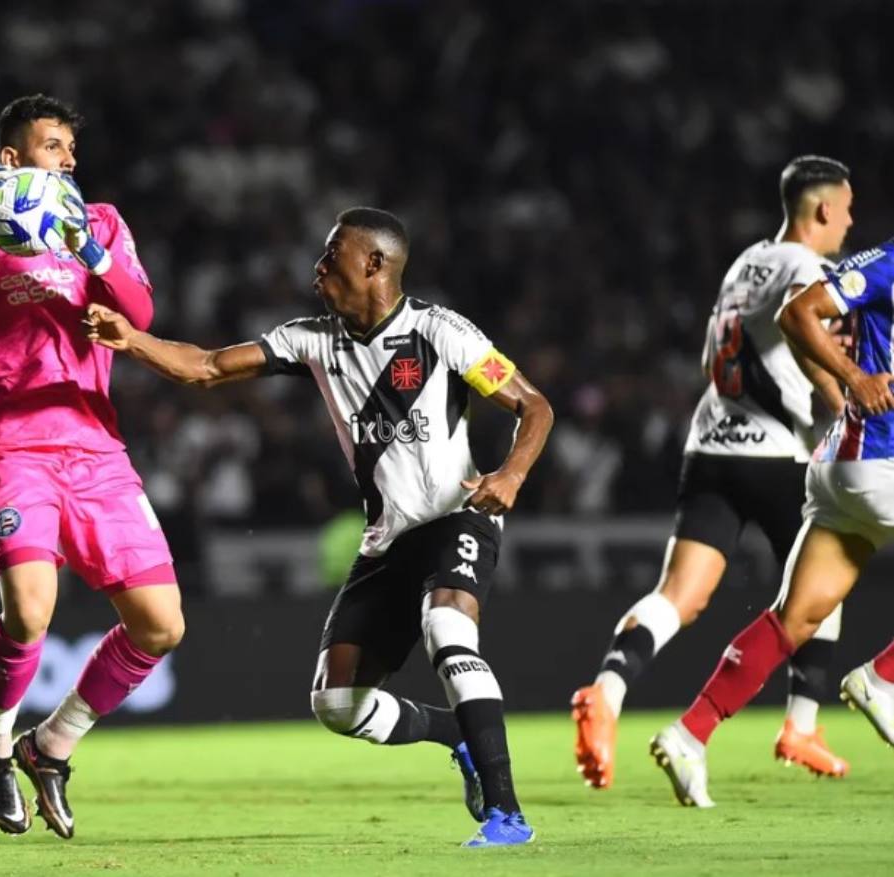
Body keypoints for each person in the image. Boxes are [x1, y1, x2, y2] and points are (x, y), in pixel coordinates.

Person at [85, 207, 554, 848]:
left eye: (333, 255)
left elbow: (534, 405)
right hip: (387, 541)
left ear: (375, 264)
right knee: (338, 706)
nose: (319, 266)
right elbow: (208, 367)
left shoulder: (441, 332)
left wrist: (511, 475)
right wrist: (131, 339)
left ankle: (508, 816)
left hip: (456, 515)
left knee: (446, 626)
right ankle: (457, 734)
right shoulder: (312, 338)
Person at [0, 94, 182, 838]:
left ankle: (50, 744)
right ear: (11, 160)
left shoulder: (98, 221)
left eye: (70, 146)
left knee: (160, 627)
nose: (68, 158)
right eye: (52, 145)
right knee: (30, 609)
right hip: (13, 440)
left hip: (95, 443)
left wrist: (89, 254)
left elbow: (141, 313)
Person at [571, 156, 855, 788]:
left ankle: (607, 690)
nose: (851, 222)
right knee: (823, 584)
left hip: (711, 447)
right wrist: (845, 407)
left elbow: (710, 359)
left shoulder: (745, 264)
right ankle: (802, 725)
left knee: (680, 597)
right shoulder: (809, 271)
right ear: (823, 209)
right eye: (848, 208)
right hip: (779, 453)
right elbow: (815, 352)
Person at [650, 237, 894, 808]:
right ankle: (885, 677)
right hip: (877, 459)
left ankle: (690, 733)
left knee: (796, 619)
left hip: (841, 465)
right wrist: (853, 380)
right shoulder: (887, 264)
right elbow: (796, 312)